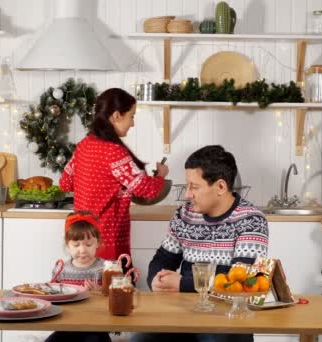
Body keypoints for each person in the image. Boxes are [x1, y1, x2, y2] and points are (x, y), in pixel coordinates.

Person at [131, 145, 269, 342]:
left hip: (228, 317)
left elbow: (241, 282)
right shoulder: (185, 214)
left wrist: (180, 283)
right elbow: (161, 260)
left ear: (220, 187)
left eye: (194, 187)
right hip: (183, 312)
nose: (188, 194)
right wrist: (156, 280)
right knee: (139, 340)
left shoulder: (251, 220)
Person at [59, 88, 169, 261]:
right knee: (114, 285)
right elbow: (147, 190)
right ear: (117, 115)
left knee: (85, 285)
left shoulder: (84, 145)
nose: (132, 123)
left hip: (82, 238)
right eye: (131, 116)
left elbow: (65, 183)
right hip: (107, 239)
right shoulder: (114, 152)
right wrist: (161, 176)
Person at [45, 211, 110, 342]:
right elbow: (52, 299)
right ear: (68, 245)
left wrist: (100, 292)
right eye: (76, 245)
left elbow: (115, 299)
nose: (82, 250)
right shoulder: (61, 268)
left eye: (88, 244)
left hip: (96, 328)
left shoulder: (106, 268)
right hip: (66, 326)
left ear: (98, 242)